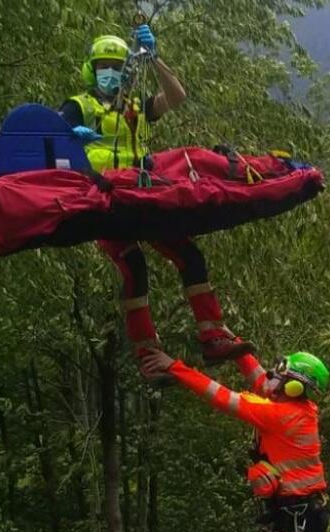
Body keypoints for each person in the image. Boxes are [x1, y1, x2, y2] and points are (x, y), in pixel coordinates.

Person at [63, 26, 251, 374]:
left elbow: (176, 96)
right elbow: (49, 135)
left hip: (141, 192)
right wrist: (69, 134)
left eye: (116, 66)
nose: (109, 72)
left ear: (126, 71)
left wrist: (155, 58)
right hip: (102, 199)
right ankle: (149, 356)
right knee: (134, 265)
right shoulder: (79, 106)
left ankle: (213, 336)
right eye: (103, 66)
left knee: (189, 254)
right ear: (92, 69)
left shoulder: (135, 106)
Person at [141, 347, 330, 532]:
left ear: (293, 386)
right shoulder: (296, 408)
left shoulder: (279, 415)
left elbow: (221, 396)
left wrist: (175, 367)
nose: (270, 377)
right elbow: (260, 381)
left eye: (279, 375)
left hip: (297, 519)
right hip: (304, 515)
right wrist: (236, 347)